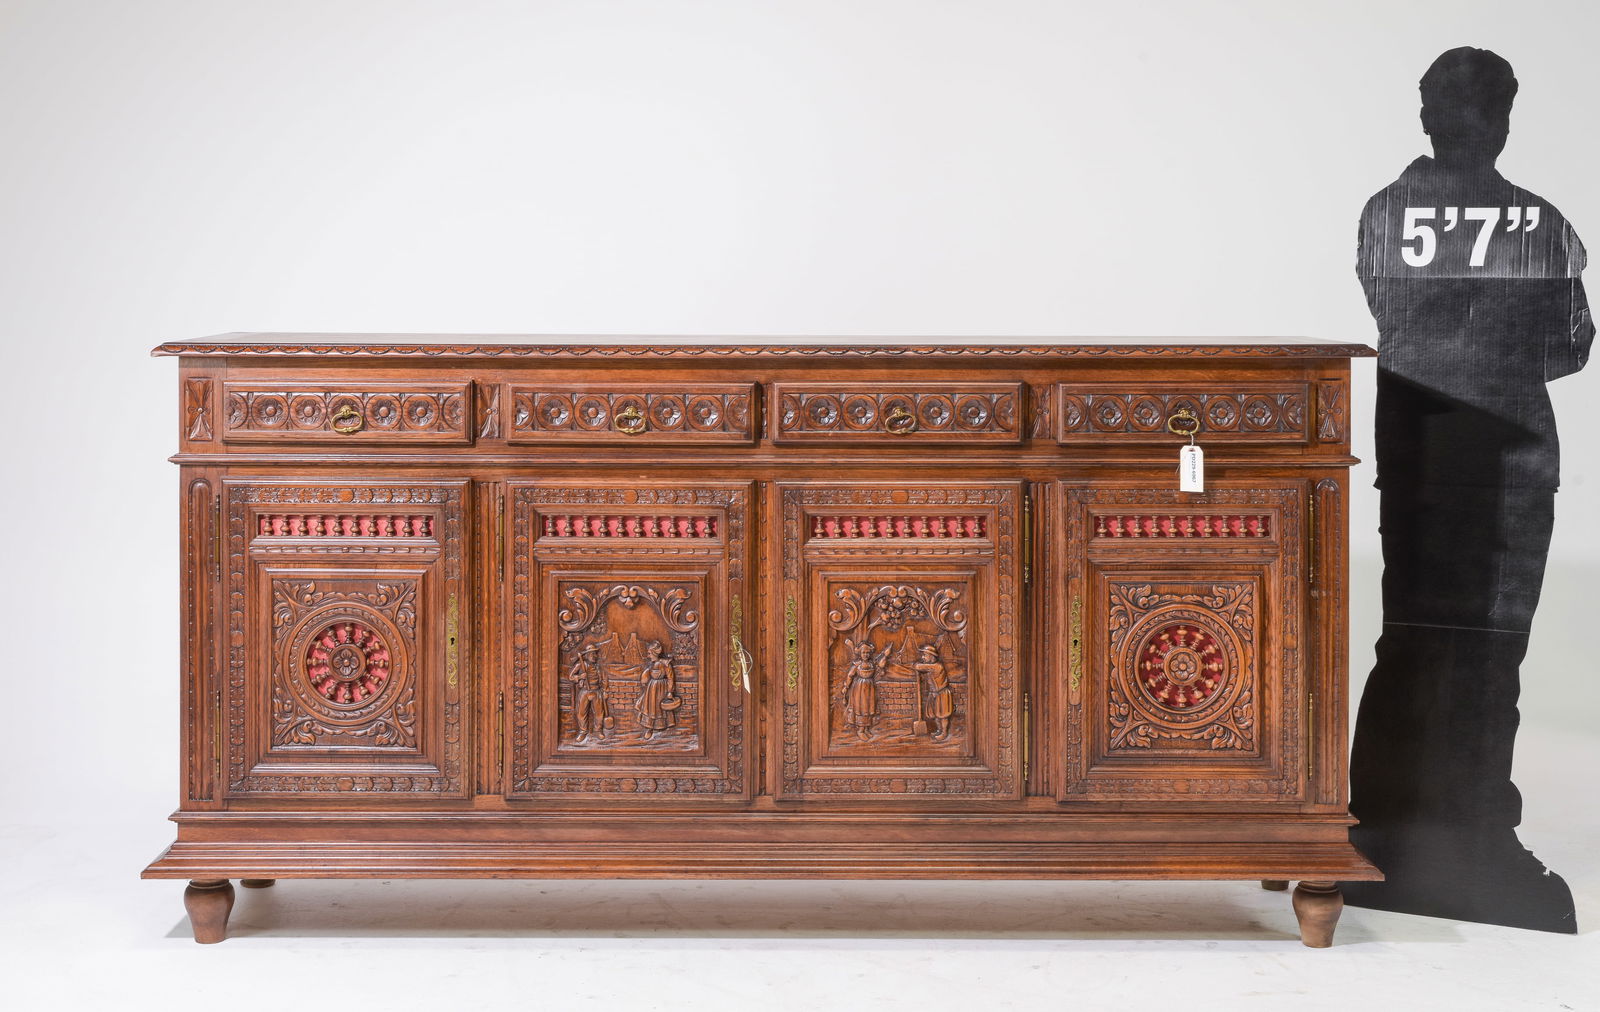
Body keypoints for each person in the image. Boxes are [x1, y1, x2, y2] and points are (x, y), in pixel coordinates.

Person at [1348, 46, 1591, 932]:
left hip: (1415, 455)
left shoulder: (1383, 214)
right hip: (1511, 463)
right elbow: (1570, 346)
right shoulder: (1543, 223)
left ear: (1426, 115)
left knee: (1408, 639)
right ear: (1506, 116)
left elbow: (1383, 307)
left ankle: (1375, 822)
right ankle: (1480, 833)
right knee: (1489, 650)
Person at [634, 641, 676, 741]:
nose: (648, 656)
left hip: (662, 688)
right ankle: (649, 728)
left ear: (654, 653)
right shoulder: (652, 664)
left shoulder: (665, 664)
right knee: (650, 708)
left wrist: (670, 691)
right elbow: (647, 675)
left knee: (660, 708)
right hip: (652, 688)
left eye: (649, 653)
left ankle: (662, 726)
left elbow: (670, 678)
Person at [913, 644, 955, 741]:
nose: (922, 657)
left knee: (942, 715)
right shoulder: (930, 667)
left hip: (942, 693)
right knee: (936, 714)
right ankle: (939, 730)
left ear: (931, 656)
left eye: (924, 655)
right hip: (934, 693)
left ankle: (944, 732)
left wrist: (917, 666)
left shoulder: (937, 667)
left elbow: (918, 666)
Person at [569, 642, 609, 744]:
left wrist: (605, 691)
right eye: (592, 654)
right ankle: (583, 732)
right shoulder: (580, 665)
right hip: (585, 692)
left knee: (599, 713)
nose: (594, 656)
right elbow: (571, 676)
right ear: (586, 655)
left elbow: (604, 679)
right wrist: (579, 677)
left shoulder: (598, 667)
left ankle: (598, 730)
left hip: (597, 691)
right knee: (581, 713)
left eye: (595, 654)